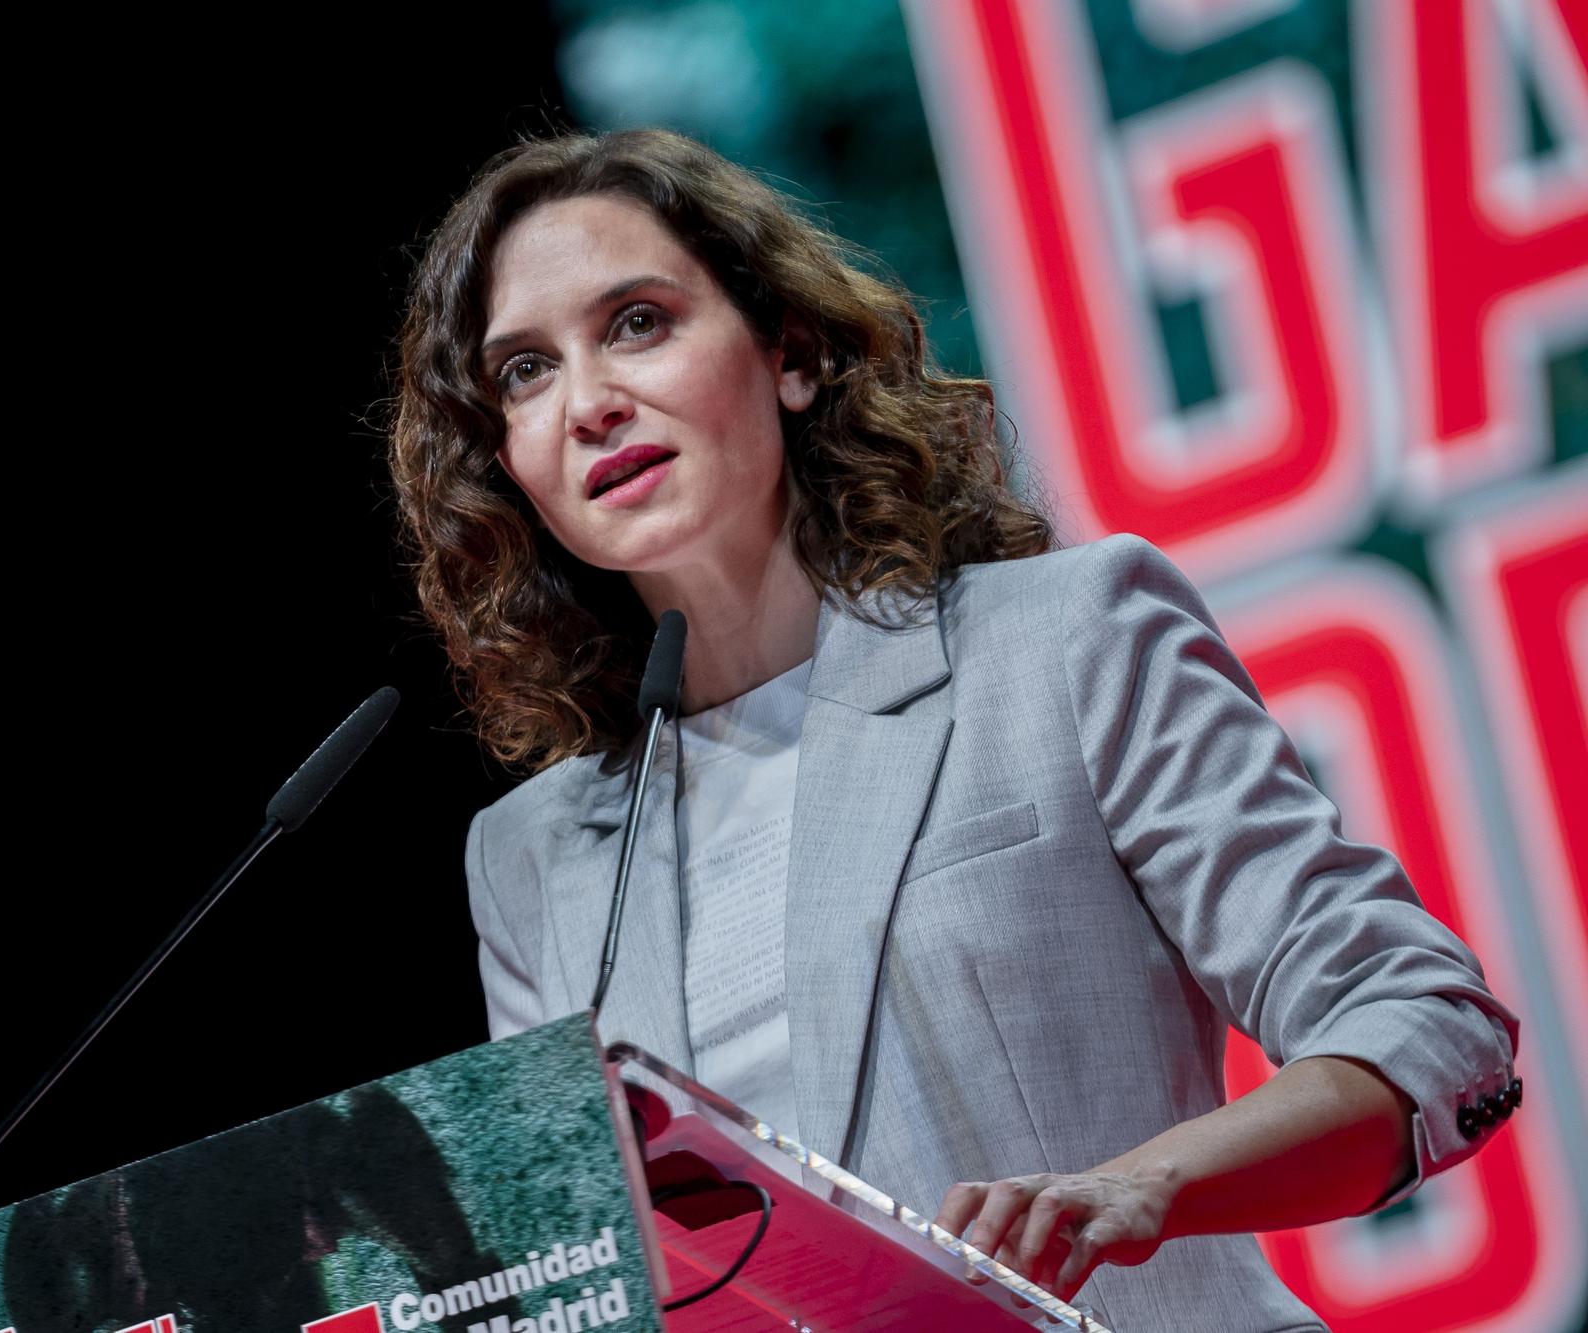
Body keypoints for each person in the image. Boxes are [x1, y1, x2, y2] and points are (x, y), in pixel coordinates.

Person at [385, 128, 1520, 1331]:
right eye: (523, 373)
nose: (588, 404)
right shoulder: (532, 857)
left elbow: (1426, 1023)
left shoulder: (1062, 643)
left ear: (791, 352)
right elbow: (575, 1281)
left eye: (636, 323)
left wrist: (1143, 1186)